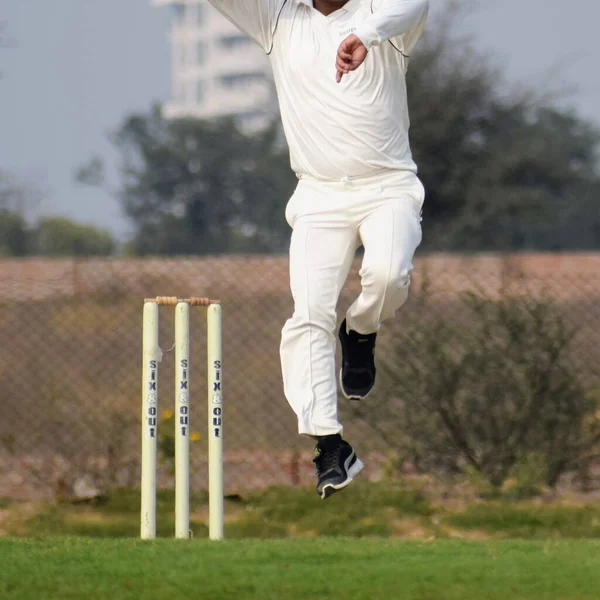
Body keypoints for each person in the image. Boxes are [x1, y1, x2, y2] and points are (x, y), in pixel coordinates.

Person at [208, 0, 429, 498]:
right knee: (308, 314)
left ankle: (361, 328)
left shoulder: (385, 17)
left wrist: (367, 35)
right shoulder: (277, 18)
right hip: (318, 195)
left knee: (389, 275)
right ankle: (330, 445)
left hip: (388, 186)